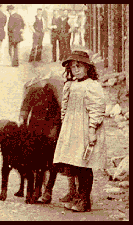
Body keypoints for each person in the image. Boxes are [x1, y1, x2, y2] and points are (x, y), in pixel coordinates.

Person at [42, 51, 106, 212]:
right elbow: (64, 108)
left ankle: (85, 200)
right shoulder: (70, 85)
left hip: (85, 127)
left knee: (85, 165)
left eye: (79, 66)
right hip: (72, 127)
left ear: (87, 67)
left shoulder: (92, 85)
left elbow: (97, 108)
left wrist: (92, 129)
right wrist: (65, 125)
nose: (75, 70)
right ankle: (77, 196)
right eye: (72, 67)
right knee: (74, 164)